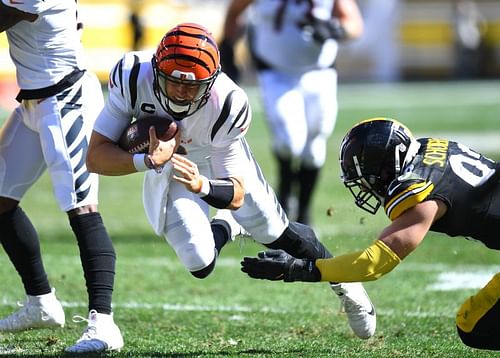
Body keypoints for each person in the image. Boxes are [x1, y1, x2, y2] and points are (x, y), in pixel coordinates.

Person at [86, 22, 376, 340]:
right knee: (199, 261)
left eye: (192, 86)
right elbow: (96, 158)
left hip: (216, 158)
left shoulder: (227, 103)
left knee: (276, 233)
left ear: (210, 83)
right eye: (173, 82)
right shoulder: (131, 76)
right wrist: (147, 161)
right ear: (156, 73)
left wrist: (202, 185)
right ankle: (228, 226)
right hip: (172, 164)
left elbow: (236, 193)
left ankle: (344, 279)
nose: (182, 92)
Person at [241, 117, 500, 351]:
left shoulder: (419, 191)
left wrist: (296, 269)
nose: (365, 186)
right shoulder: (427, 149)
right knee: (471, 318)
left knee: (475, 328)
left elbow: (373, 264)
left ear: (385, 167)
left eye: (365, 178)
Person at [0, 0, 123, 353]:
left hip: (65, 99)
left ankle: (104, 324)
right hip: (34, 102)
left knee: (81, 208)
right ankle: (41, 303)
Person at [219, 0, 363, 224]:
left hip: (320, 72)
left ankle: (304, 211)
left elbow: (354, 23)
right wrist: (228, 46)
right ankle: (285, 194)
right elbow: (235, 11)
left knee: (316, 143)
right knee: (289, 140)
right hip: (276, 72)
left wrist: (336, 29)